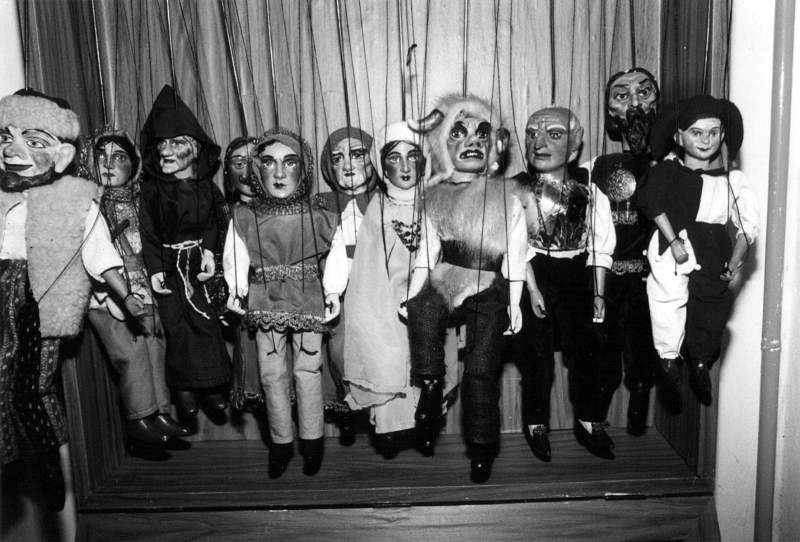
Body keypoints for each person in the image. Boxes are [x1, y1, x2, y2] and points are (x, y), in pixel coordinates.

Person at [0, 89, 145, 510]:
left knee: (33, 384)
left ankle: (45, 459)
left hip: (40, 299)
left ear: (62, 156)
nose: (12, 150)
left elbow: (101, 255)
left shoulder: (77, 201)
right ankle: (10, 457)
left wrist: (128, 297)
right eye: (5, 137)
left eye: (33, 140)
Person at [401, 94, 528, 483]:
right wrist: (413, 292)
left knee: (481, 371)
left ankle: (482, 446)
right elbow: (426, 252)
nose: (472, 141)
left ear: (495, 146)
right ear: (444, 145)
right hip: (446, 275)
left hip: (489, 283)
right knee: (422, 309)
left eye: (482, 133)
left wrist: (515, 302)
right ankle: (430, 383)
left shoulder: (507, 197)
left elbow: (516, 254)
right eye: (459, 133)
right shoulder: (436, 196)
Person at [224, 127, 338, 478]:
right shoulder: (246, 216)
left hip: (307, 297)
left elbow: (337, 255)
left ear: (304, 169)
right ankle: (281, 443)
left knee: (308, 369)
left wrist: (333, 290)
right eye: (268, 163)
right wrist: (235, 289)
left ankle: (312, 442)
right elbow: (235, 255)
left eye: (289, 163)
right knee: (272, 372)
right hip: (265, 299)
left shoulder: (318, 215)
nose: (278, 173)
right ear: (256, 169)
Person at [509, 107, 617, 461]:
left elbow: (600, 244)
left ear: (574, 145)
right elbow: (514, 244)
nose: (539, 142)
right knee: (536, 356)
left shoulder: (589, 189)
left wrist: (598, 291)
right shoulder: (516, 189)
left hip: (577, 272)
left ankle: (588, 420)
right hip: (532, 270)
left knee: (587, 351)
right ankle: (535, 422)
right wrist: (532, 288)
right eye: (532, 133)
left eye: (553, 134)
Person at [639, 95, 758, 409]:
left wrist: (736, 258)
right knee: (668, 296)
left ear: (722, 135)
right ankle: (668, 359)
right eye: (697, 132)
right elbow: (653, 204)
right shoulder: (668, 171)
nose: (706, 140)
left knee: (712, 303)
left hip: (711, 243)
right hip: (673, 240)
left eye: (713, 132)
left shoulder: (731, 180)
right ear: (679, 137)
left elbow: (747, 223)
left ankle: (701, 361)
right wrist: (673, 241)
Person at [78, 127, 189, 448]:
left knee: (155, 347)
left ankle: (160, 411)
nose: (108, 163)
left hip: (145, 287)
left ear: (135, 165)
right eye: (101, 156)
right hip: (106, 294)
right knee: (129, 352)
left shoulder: (143, 201)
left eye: (119, 157)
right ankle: (139, 414)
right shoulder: (86, 204)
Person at [326, 121, 431, 458]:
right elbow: (358, 257)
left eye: (412, 157)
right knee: (386, 360)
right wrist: (337, 291)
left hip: (424, 296)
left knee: (423, 362)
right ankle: (388, 427)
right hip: (382, 295)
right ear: (382, 165)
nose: (404, 167)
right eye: (394, 158)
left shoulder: (433, 203)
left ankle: (424, 424)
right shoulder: (376, 207)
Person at [138, 85, 231, 416]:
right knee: (176, 326)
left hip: (197, 265)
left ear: (193, 149)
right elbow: (148, 233)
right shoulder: (151, 192)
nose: (165, 151)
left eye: (175, 144)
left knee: (205, 322)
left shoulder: (207, 188)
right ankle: (184, 388)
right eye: (161, 144)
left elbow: (214, 225)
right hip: (168, 265)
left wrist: (209, 253)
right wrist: (155, 269)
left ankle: (212, 384)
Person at [588, 68, 661, 435]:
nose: (634, 104)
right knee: (604, 346)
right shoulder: (598, 168)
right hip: (609, 275)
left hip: (650, 279)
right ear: (610, 112)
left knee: (643, 342)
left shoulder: (667, 169)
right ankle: (597, 408)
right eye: (622, 95)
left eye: (643, 92)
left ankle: (641, 392)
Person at [319, 126, 380, 445]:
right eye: (337, 158)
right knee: (340, 351)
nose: (347, 165)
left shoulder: (388, 200)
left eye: (357, 154)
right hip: (339, 294)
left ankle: (383, 413)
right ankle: (347, 407)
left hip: (381, 292)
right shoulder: (321, 205)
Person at [222, 136, 262, 411]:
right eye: (239, 163)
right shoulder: (228, 213)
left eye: (255, 161)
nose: (247, 171)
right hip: (246, 298)